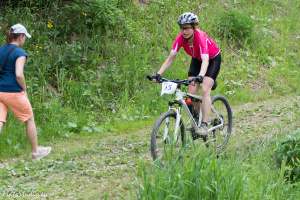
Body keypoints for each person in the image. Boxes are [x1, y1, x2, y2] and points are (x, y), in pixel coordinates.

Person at [154, 12, 221, 136]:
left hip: (212, 59)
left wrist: (201, 76)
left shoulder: (200, 36)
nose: (184, 31)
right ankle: (196, 118)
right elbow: (171, 58)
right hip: (197, 59)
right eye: (182, 28)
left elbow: (206, 60)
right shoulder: (180, 38)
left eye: (187, 28)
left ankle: (204, 125)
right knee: (190, 93)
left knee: (205, 89)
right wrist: (158, 74)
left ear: (194, 27)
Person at [0, 24, 51, 160]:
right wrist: (24, 88)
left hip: (0, 91)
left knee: (0, 121)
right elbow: (18, 74)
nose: (24, 40)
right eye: (25, 37)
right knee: (29, 119)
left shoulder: (1, 50)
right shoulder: (20, 53)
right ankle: (36, 152)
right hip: (13, 91)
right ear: (21, 36)